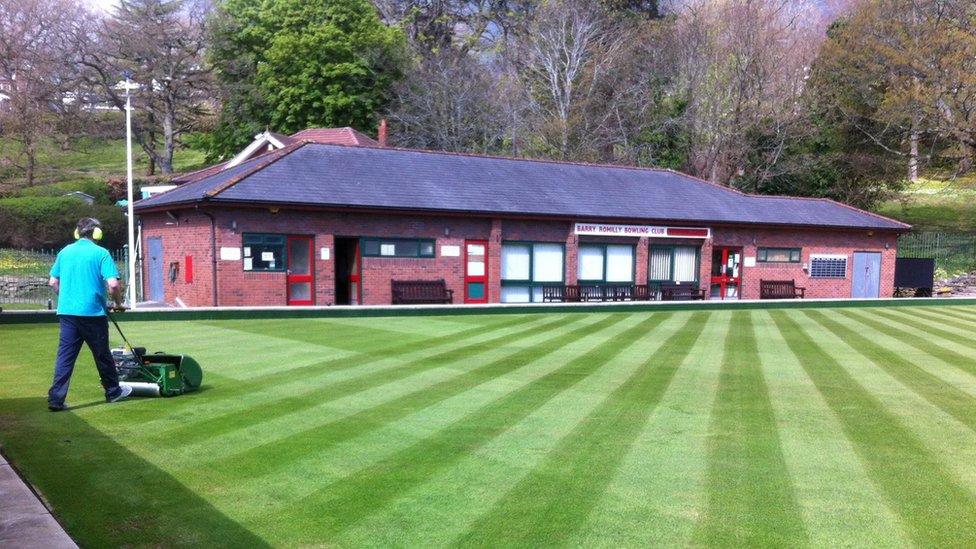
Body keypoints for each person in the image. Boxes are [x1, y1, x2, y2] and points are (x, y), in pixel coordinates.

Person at [47, 218, 133, 411]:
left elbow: (53, 282)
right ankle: (113, 392)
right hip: (93, 314)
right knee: (102, 355)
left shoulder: (64, 252)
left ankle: (55, 400)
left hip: (67, 314)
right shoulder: (101, 253)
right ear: (96, 233)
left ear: (77, 233)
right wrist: (118, 303)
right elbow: (113, 284)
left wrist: (68, 297)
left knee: (65, 358)